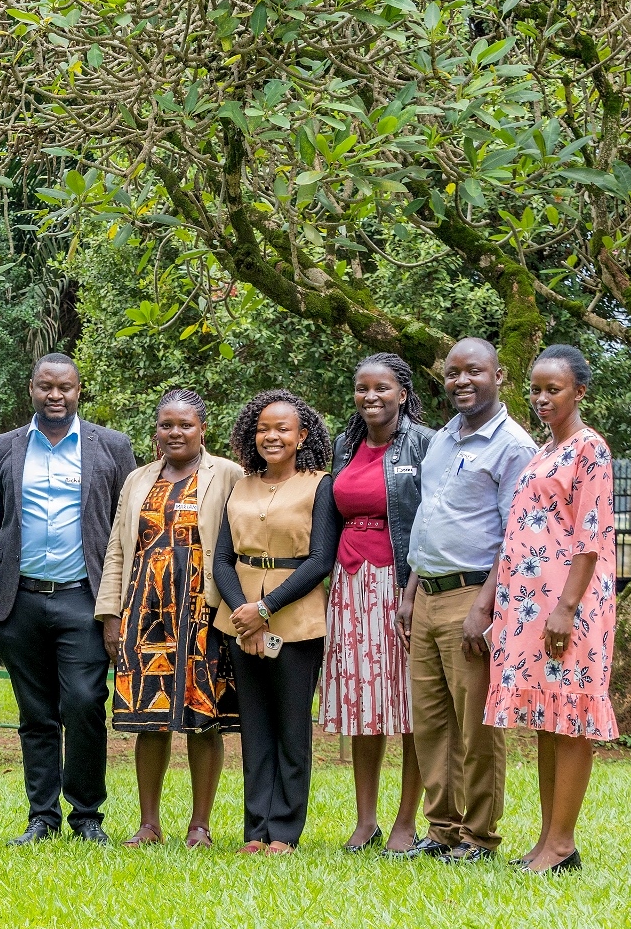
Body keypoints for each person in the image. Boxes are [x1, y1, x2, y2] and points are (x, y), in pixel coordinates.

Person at [394, 338, 536, 864]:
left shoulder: (513, 446)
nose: (461, 382)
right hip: (428, 593)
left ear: (498, 376)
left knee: (476, 724)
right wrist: (410, 591)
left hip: (473, 594)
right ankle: (442, 830)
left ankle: (479, 836)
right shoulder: (443, 439)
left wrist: (485, 608)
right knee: (431, 722)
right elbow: (429, 521)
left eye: (473, 372)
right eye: (453, 373)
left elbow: (517, 535)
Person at [0, 354, 135, 846]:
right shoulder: (2, 448)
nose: (56, 396)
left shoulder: (111, 447)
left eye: (65, 388)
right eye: (46, 387)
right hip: (21, 599)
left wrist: (120, 602)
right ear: (31, 388)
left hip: (84, 600)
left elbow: (127, 526)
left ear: (79, 390)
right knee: (36, 712)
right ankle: (42, 816)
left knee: (85, 703)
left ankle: (87, 813)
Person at [485, 345, 618, 873]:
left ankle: (562, 842)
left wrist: (564, 609)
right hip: (530, 606)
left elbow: (591, 538)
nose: (541, 398)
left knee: (572, 719)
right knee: (548, 715)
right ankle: (547, 842)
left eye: (553, 389)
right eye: (535, 390)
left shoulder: (591, 450)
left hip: (572, 604)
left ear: (579, 391)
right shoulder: (544, 451)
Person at [96, 388, 243, 849]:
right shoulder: (138, 479)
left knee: (204, 716)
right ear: (156, 430)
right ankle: (148, 823)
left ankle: (200, 825)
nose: (175, 432)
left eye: (185, 424)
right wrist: (110, 614)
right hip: (145, 610)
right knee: (150, 716)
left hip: (204, 609)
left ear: (203, 428)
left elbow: (239, 541)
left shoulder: (229, 475)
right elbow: (119, 547)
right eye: (166, 424)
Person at [212, 390, 339, 855]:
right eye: (264, 428)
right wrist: (244, 614)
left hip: (297, 622)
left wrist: (264, 611)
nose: (272, 436)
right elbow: (222, 559)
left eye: (282, 428)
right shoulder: (239, 485)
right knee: (255, 727)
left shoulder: (320, 485)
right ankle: (255, 829)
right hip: (239, 620)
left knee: (290, 727)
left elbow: (320, 558)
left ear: (302, 435)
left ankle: (283, 830)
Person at [321, 354, 433, 854]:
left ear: (403, 393)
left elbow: (430, 523)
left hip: (400, 583)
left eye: (382, 388)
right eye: (362, 388)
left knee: (408, 703)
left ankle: (406, 822)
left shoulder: (425, 445)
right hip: (350, 584)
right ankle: (365, 821)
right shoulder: (344, 445)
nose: (371, 397)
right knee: (364, 703)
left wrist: (412, 590)